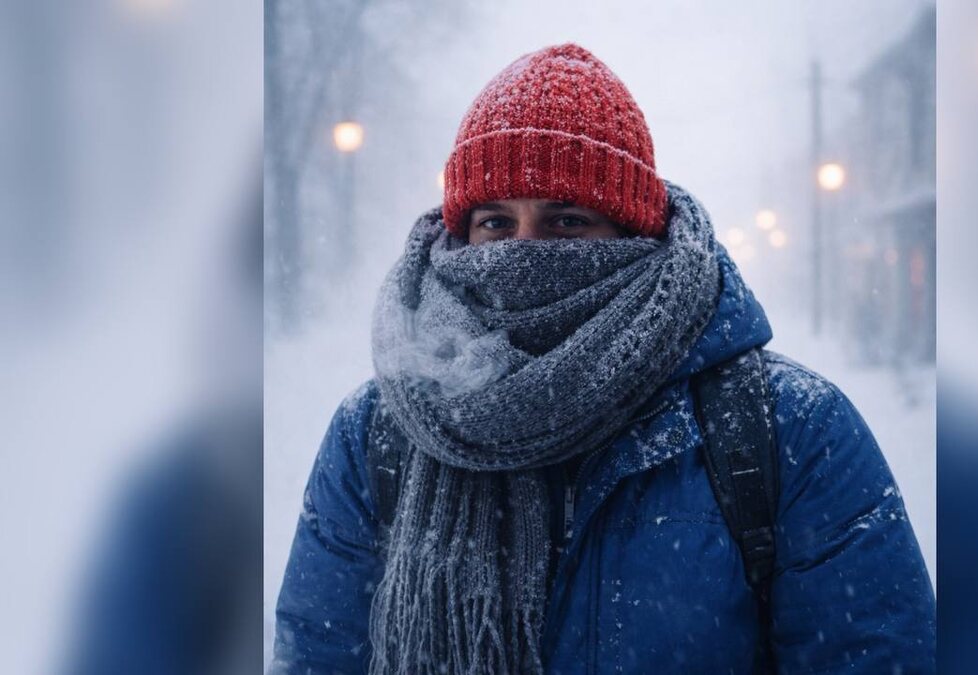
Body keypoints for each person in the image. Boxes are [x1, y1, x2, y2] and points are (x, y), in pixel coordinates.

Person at [272, 43, 934, 674]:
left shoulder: (790, 431)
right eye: (496, 222)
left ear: (632, 233)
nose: (523, 252)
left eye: (566, 221)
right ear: (460, 234)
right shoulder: (378, 433)